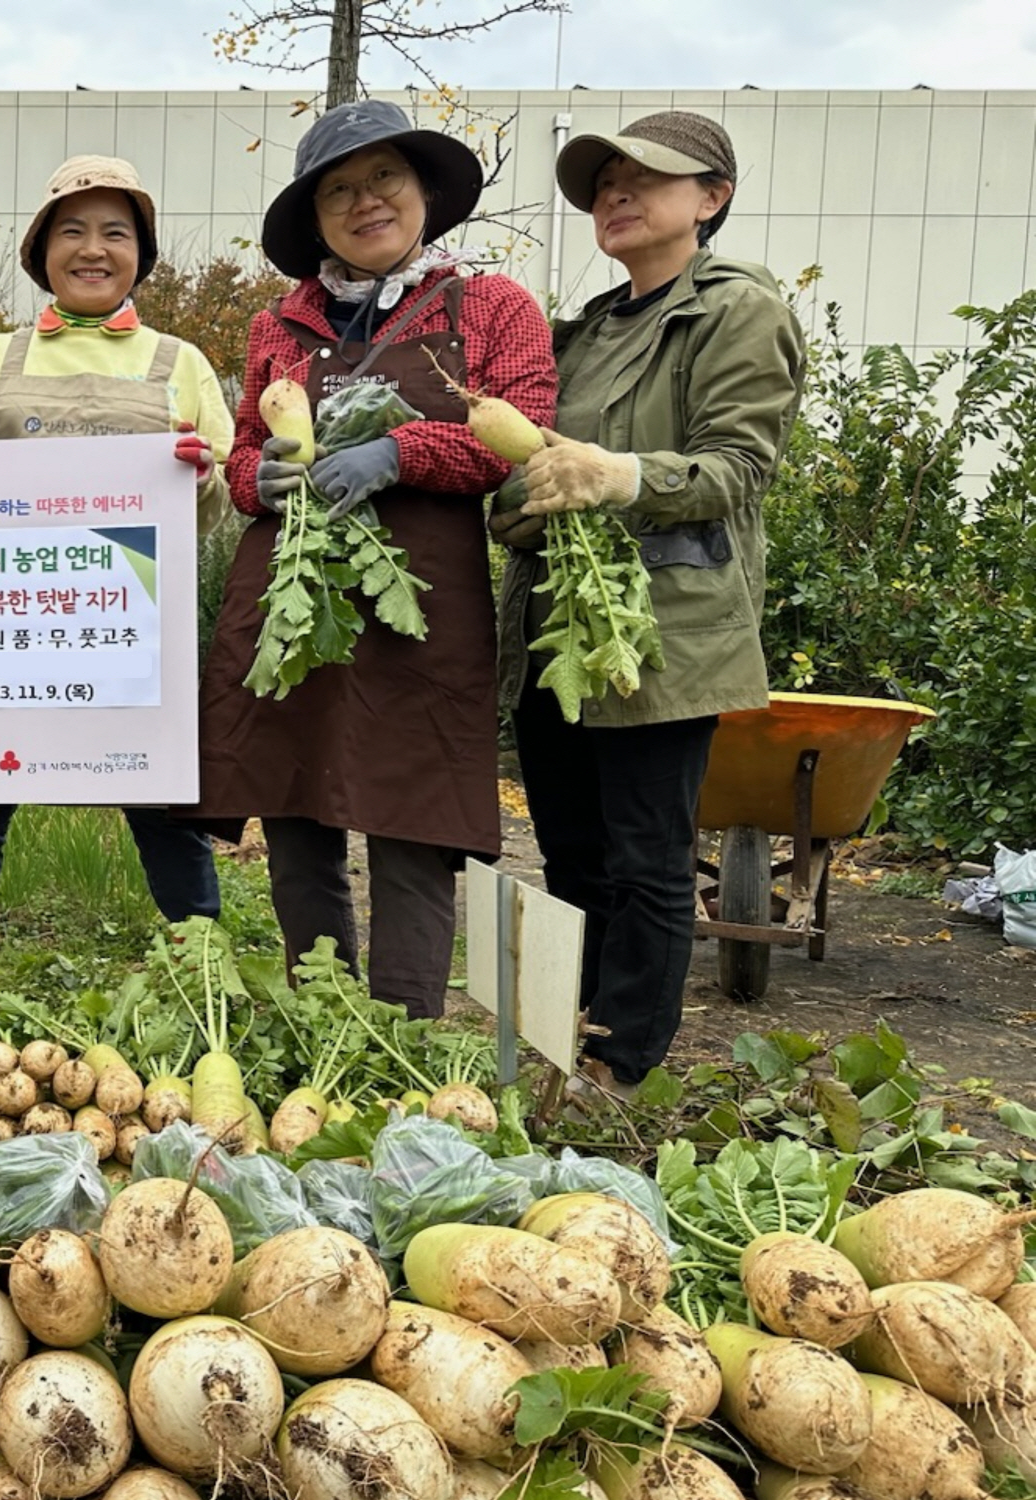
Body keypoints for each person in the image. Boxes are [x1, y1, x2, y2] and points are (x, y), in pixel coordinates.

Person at [188, 101, 557, 1019]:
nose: (365, 202)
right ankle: (323, 1011)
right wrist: (258, 479)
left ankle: (402, 1033)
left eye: (382, 179)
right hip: (291, 594)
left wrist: (403, 452)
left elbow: (524, 435)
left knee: (413, 814)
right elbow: (241, 451)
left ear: (423, 189)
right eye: (339, 191)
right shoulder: (282, 324)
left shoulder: (493, 306)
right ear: (316, 218)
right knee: (294, 803)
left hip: (421, 606)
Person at [491, 112, 807, 1096]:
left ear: (709, 198)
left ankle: (621, 1064)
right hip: (556, 630)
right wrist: (524, 500)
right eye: (602, 181)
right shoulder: (579, 335)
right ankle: (564, 1034)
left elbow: (734, 470)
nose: (614, 194)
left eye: (645, 178)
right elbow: (518, 478)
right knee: (569, 850)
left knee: (644, 858)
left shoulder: (734, 311)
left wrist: (614, 476)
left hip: (661, 636)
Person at [0, 155, 232, 988]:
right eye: (73, 231)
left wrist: (203, 479)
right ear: (41, 251)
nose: (94, 249)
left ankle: (199, 973)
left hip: (128, 624)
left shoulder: (183, 362)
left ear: (142, 254)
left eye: (115, 233)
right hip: (1, 622)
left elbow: (214, 504)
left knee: (164, 800)